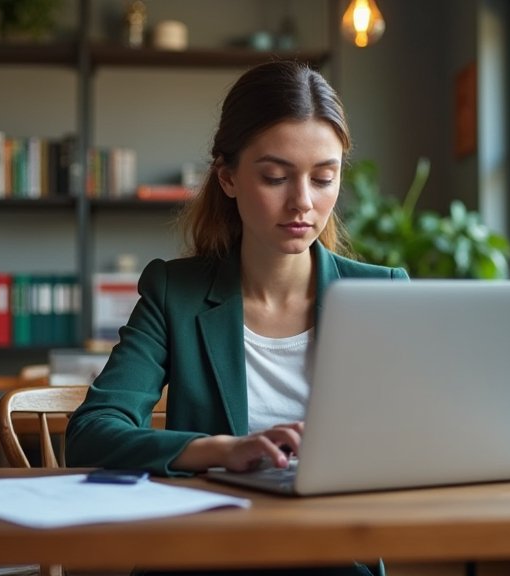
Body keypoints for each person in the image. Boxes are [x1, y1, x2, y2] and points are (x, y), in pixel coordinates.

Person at [66, 60, 407, 576]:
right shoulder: (173, 292)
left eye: (323, 178)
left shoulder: (380, 294)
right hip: (205, 557)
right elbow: (92, 432)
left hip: (335, 554)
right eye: (275, 176)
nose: (303, 203)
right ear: (227, 176)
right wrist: (221, 450)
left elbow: (416, 440)